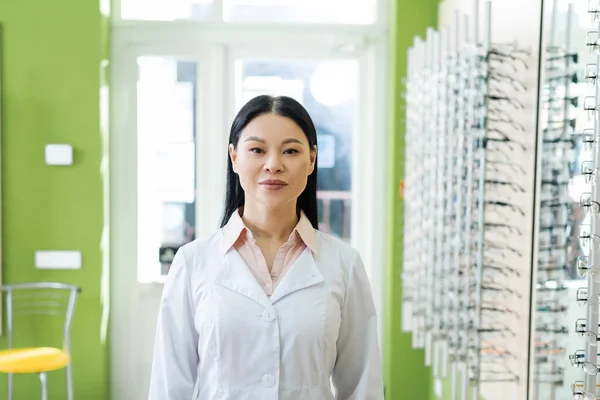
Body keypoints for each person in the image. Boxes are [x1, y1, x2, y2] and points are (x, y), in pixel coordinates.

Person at [148, 95, 384, 399]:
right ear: (234, 157)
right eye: (257, 150)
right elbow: (169, 387)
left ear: (311, 159)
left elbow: (362, 387)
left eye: (290, 151)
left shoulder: (344, 264)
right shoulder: (193, 262)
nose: (274, 165)